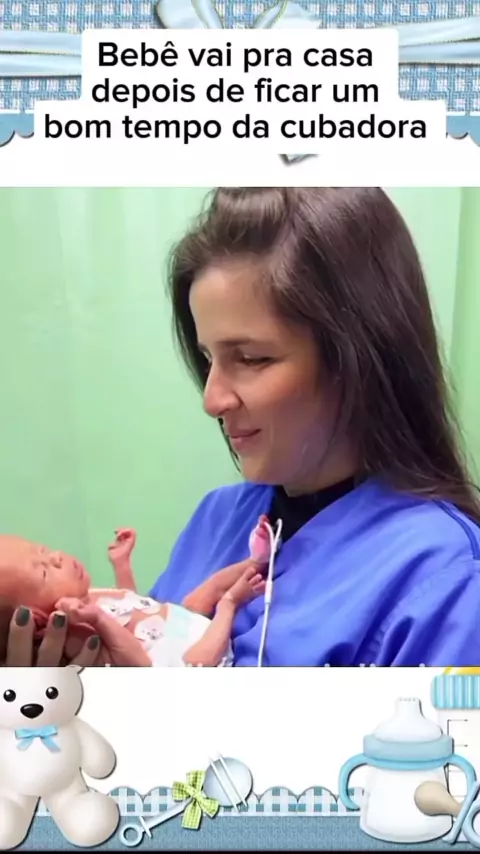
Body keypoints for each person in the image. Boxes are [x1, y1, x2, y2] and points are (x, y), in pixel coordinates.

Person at [147, 186, 480, 666]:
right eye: (207, 358)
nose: (212, 399)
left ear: (359, 359)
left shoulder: (444, 577)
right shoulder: (215, 520)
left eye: (251, 358)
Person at [0, 522, 270, 667]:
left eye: (44, 551)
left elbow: (128, 610)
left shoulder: (86, 597)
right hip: (190, 661)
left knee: (202, 592)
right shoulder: (75, 636)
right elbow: (137, 666)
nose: (57, 557)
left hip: (180, 626)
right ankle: (230, 604)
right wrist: (98, 620)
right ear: (36, 620)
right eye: (44, 572)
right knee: (218, 611)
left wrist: (122, 566)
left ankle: (256, 560)